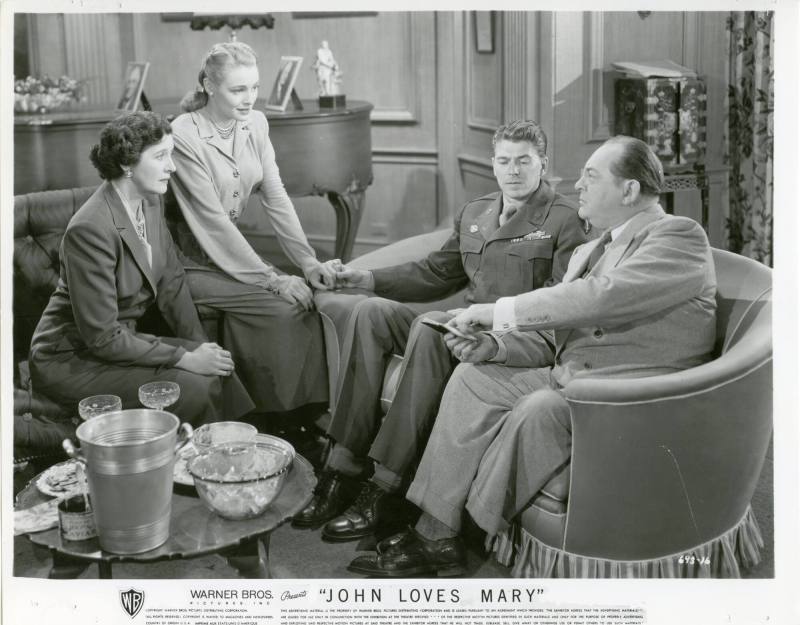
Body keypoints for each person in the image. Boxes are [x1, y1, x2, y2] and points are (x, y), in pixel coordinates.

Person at [347, 135, 718, 577]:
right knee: (472, 376)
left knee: (538, 407)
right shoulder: (592, 248)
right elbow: (556, 334)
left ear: (630, 190)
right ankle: (438, 531)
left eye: (591, 176)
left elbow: (602, 297)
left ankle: (446, 531)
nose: (578, 184)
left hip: (631, 392)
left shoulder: (678, 236)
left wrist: (499, 312)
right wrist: (494, 345)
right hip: (573, 377)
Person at [293, 120, 588, 539]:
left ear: (543, 163)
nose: (513, 171)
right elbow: (435, 273)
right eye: (504, 161)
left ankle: (386, 486)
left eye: (524, 161)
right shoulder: (476, 211)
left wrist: (486, 326)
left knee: (430, 329)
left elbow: (559, 305)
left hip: (507, 339)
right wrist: (365, 278)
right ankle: (343, 467)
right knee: (370, 313)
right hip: (463, 327)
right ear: (493, 163)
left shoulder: (566, 219)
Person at [28, 111, 254, 426]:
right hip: (73, 360)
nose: (172, 166)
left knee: (219, 365)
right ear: (127, 164)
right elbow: (102, 337)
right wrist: (185, 357)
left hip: (123, 343)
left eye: (171, 154)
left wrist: (200, 346)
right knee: (195, 386)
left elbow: (172, 282)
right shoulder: (89, 229)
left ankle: (231, 449)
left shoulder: (149, 200)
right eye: (160, 156)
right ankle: (194, 454)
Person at [170, 42, 338, 429]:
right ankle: (264, 417)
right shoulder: (183, 134)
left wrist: (306, 260)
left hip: (228, 252)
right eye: (238, 90)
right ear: (210, 86)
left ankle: (301, 414)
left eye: (254, 88)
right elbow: (212, 221)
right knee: (283, 306)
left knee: (304, 298)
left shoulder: (256, 123)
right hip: (185, 261)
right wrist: (272, 278)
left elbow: (275, 195)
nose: (249, 99)